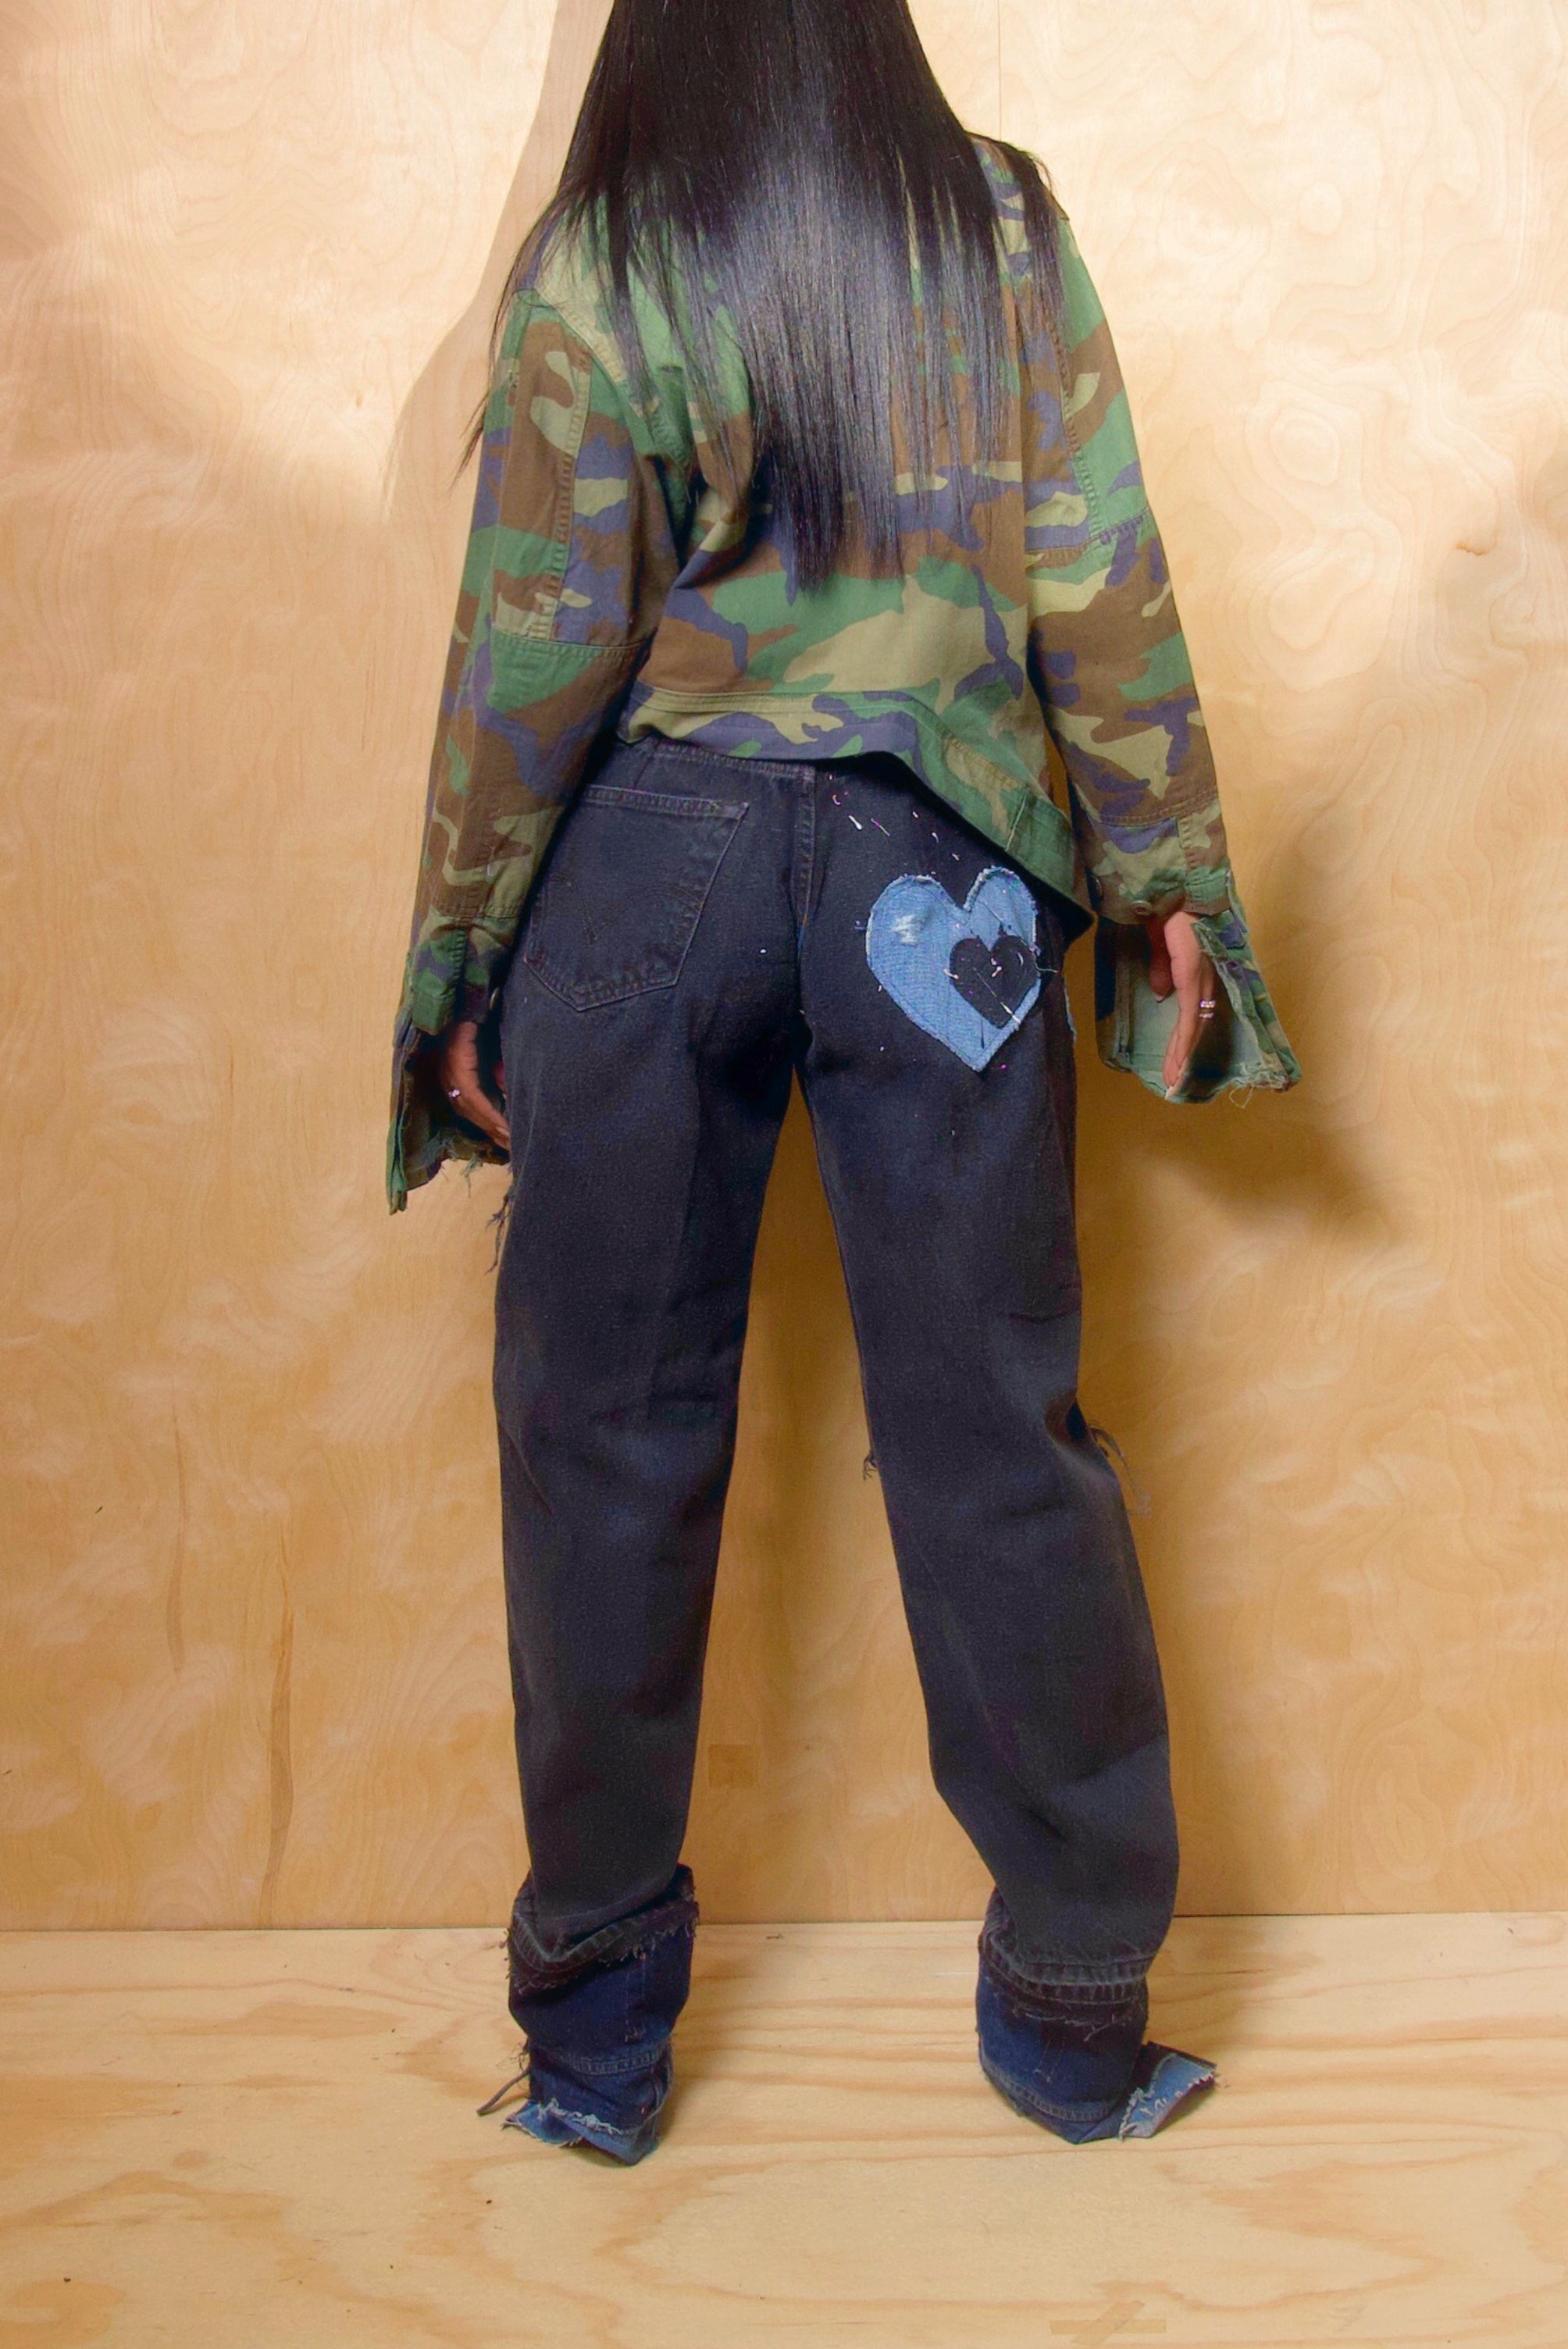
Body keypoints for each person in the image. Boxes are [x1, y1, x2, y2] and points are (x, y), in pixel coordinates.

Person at [387, 0, 1299, 2165]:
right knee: (997, 1435)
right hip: (940, 887)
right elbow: (1099, 580)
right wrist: (1165, 880)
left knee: (601, 1440)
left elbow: (533, 645)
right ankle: (1073, 2022)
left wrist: (461, 960)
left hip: (651, 877)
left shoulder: (609, 246)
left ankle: (596, 2052)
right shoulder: (992, 225)